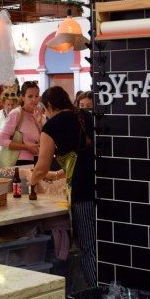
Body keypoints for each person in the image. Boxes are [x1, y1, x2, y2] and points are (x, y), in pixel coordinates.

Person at [29, 86, 96, 286]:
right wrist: (58, 174)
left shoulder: (51, 127)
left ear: (49, 105)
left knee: (89, 247)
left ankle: (97, 293)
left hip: (82, 191)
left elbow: (41, 167)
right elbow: (80, 157)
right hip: (105, 185)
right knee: (105, 244)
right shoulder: (86, 116)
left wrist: (32, 182)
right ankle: (113, 292)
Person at [0, 80, 44, 167]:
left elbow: (44, 141)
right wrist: (26, 147)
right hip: (18, 163)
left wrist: (40, 123)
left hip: (37, 161)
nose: (34, 100)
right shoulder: (16, 113)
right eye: (30, 96)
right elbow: (1, 140)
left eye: (37, 96)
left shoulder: (39, 115)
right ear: (22, 97)